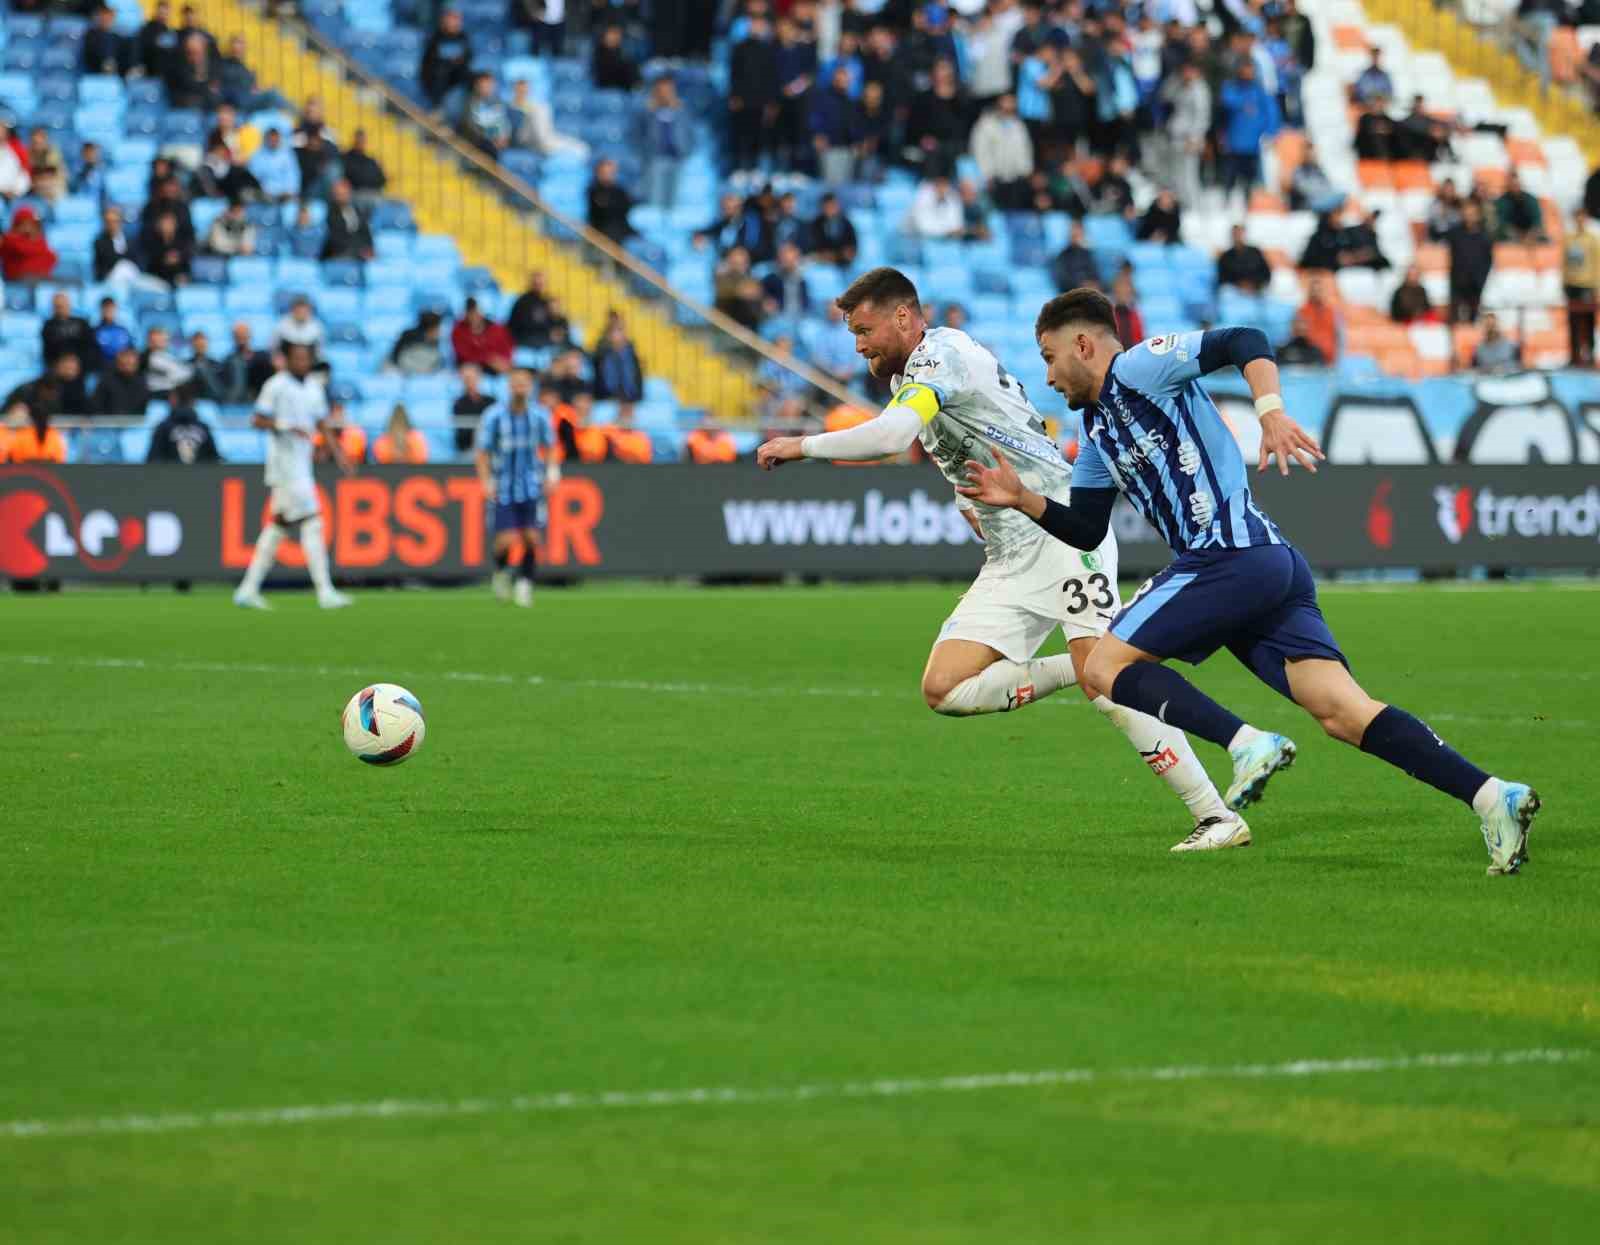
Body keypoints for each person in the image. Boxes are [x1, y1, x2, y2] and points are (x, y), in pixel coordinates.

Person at [956, 287, 1538, 873]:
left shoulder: (1140, 368)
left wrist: (1271, 411)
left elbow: (1244, 340)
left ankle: (1246, 743)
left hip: (1227, 555)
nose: (1048, 376)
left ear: (1083, 345)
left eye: (1050, 357)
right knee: (1342, 712)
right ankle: (1494, 797)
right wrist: (1021, 499)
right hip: (1263, 565)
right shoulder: (1097, 435)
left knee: (1103, 667)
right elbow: (1085, 529)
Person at [754, 267, 1244, 849]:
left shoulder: (942, 355)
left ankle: (1216, 815)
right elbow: (971, 435)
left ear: (903, 317)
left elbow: (889, 438)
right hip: (1009, 550)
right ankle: (1084, 667)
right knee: (946, 689)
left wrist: (802, 444)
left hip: (1056, 527)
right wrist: (967, 502)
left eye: (864, 330)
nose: (858, 346)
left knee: (1110, 690)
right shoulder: (913, 373)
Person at [233, 341, 354, 611]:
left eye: (306, 358)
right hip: (284, 465)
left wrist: (339, 454)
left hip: (302, 462)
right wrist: (285, 425)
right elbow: (257, 420)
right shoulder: (276, 385)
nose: (302, 362)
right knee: (313, 521)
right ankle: (325, 591)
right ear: (286, 360)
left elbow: (322, 423)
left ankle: (248, 589)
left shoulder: (313, 387)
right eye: (297, 358)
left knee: (278, 526)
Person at [476, 368, 559, 608]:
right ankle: (501, 572)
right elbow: (482, 452)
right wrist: (485, 480)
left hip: (531, 485)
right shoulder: (494, 416)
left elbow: (550, 446)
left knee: (532, 537)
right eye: (516, 383)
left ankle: (525, 584)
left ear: (531, 386)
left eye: (524, 383)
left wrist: (552, 473)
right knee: (505, 540)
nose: (520, 387)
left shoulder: (539, 415)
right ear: (509, 386)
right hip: (504, 486)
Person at [638, 76, 693, 208]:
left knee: (675, 201)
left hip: (677, 158)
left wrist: (686, 151)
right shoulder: (645, 111)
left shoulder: (682, 111)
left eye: (668, 90)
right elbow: (636, 135)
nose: (665, 94)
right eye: (661, 90)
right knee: (655, 200)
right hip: (654, 159)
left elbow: (690, 134)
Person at [1448, 199, 1495, 324]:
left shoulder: (1484, 236)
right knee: (1455, 320)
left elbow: (1488, 260)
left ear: (1478, 215)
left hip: (1476, 284)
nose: (1469, 217)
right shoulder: (1455, 234)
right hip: (1458, 283)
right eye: (1466, 213)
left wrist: (1481, 278)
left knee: (1473, 319)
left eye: (1472, 214)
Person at [1564, 209, 1600, 366]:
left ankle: (1589, 355)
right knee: (1573, 321)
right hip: (1572, 285)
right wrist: (1564, 282)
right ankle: (1574, 356)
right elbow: (1564, 262)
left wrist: (1596, 286)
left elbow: (1597, 263)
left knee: (1588, 320)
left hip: (1587, 285)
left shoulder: (1592, 239)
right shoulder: (1569, 239)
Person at [147, 388, 221, 463]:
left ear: (173, 400)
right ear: (192, 402)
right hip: (200, 470)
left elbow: (153, 460)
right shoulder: (203, 427)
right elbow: (215, 460)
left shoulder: (163, 428)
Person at [420, 8, 474, 110]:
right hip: (439, 78)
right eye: (450, 19)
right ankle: (438, 108)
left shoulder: (463, 37)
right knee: (439, 74)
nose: (453, 23)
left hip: (458, 76)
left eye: (456, 19)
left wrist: (459, 61)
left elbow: (468, 57)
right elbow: (429, 60)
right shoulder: (435, 37)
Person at [42, 293, 99, 380]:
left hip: (81, 371)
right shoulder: (48, 326)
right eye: (57, 306)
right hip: (58, 372)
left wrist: (78, 364)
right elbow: (47, 351)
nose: (60, 308)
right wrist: (60, 366)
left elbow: (91, 347)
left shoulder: (82, 323)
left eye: (63, 305)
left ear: (69, 305)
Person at [450, 298, 514, 374]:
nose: (474, 316)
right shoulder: (458, 330)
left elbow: (507, 348)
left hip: (497, 366)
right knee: (469, 370)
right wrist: (488, 359)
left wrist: (501, 360)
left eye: (476, 312)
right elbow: (464, 355)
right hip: (472, 366)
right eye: (471, 313)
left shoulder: (497, 329)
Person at [459, 72, 513, 158]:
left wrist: (504, 137)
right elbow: (471, 127)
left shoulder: (498, 102)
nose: (487, 88)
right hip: (480, 143)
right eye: (484, 85)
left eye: (490, 85)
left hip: (499, 142)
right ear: (477, 86)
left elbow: (504, 123)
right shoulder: (471, 104)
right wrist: (492, 139)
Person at [586, 158, 635, 246]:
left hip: (621, 231)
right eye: (604, 172)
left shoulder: (620, 191)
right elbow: (600, 213)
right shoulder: (593, 190)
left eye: (611, 172)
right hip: (602, 232)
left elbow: (625, 211)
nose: (608, 175)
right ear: (598, 173)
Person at [322, 180, 374, 262]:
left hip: (359, 254)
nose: (342, 197)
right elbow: (335, 239)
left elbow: (365, 232)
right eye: (339, 194)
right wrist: (357, 250)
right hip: (340, 254)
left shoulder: (356, 210)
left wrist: (368, 248)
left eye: (344, 194)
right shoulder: (331, 214)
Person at [591, 321, 644, 402]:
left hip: (630, 399)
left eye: (620, 330)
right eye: (614, 331)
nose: (617, 334)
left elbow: (638, 381)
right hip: (607, 400)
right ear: (608, 335)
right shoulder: (600, 356)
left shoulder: (633, 356)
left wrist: (635, 398)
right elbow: (597, 382)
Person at [1, 207, 56, 282]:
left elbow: (51, 257)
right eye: (27, 223)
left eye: (34, 224)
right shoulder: (9, 240)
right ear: (18, 224)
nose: (31, 227)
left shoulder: (40, 240)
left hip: (38, 281)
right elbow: (22, 249)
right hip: (16, 282)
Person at [95, 346, 153, 416]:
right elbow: (97, 406)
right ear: (118, 363)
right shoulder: (106, 381)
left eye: (131, 364)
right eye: (124, 364)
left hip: (135, 421)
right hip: (109, 420)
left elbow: (143, 408)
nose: (128, 362)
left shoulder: (142, 382)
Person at [249, 127, 301, 202]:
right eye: (271, 139)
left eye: (275, 138)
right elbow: (253, 178)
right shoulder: (257, 156)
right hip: (263, 197)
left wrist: (289, 192)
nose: (273, 141)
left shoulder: (288, 155)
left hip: (285, 197)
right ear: (266, 139)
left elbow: (293, 176)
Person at [805, 192, 858, 266]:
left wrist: (839, 255)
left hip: (843, 262)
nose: (830, 209)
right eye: (827, 207)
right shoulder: (815, 224)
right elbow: (812, 247)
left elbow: (852, 246)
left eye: (832, 206)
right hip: (821, 262)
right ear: (822, 207)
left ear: (837, 206)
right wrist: (822, 255)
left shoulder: (846, 223)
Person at [1216, 225, 1271, 294]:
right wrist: (1238, 285)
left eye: (1239, 233)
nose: (1237, 236)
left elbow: (1265, 273)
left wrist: (1254, 285)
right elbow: (1222, 278)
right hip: (1234, 290)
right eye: (1235, 233)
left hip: (1255, 289)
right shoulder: (1226, 256)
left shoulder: (1255, 252)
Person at [93, 205, 138, 282]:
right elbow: (102, 267)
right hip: (111, 279)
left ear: (121, 222)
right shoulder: (100, 242)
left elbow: (135, 261)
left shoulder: (130, 240)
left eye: (115, 221)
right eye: (109, 222)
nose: (112, 225)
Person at [341, 129, 387, 202]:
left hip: (373, 193)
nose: (361, 143)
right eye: (359, 140)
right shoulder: (346, 159)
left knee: (398, 204)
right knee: (376, 202)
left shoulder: (371, 161)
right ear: (354, 141)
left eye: (363, 140)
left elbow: (382, 180)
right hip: (356, 194)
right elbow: (355, 179)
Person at [93, 298, 136, 367]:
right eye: (106, 308)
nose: (109, 311)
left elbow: (131, 349)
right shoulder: (94, 331)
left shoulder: (123, 330)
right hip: (103, 368)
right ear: (101, 310)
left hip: (122, 368)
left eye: (111, 308)